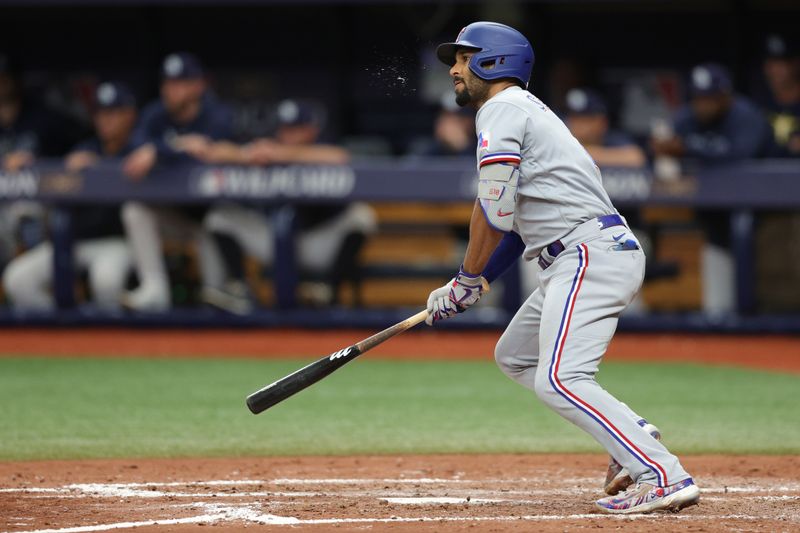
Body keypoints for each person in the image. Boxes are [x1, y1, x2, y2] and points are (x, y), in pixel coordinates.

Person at [426, 21, 699, 514]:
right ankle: (632, 436)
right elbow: (509, 227)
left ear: (494, 61)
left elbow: (490, 210)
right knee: (516, 355)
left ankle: (663, 477)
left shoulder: (502, 107)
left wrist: (466, 280)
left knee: (561, 379)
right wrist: (476, 280)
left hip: (587, 253)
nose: (454, 69)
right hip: (576, 254)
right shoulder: (521, 110)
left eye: (463, 58)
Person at [178, 98, 376, 312]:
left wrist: (282, 154)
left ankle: (329, 290)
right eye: (285, 129)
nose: (289, 136)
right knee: (219, 216)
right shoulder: (265, 150)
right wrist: (246, 155)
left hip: (315, 244)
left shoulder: (316, 149)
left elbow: (340, 157)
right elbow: (218, 152)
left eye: (296, 129)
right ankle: (240, 289)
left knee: (361, 215)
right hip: (271, 240)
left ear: (311, 130)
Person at [3, 82, 136, 311]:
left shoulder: (139, 149)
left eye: (113, 113)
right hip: (73, 242)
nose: (105, 120)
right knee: (17, 280)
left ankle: (110, 343)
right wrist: (35, 165)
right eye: (101, 113)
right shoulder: (85, 148)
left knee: (106, 282)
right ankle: (60, 340)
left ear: (129, 115)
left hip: (115, 242)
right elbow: (55, 180)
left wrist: (103, 169)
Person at [120, 52, 233, 311]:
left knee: (216, 301)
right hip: (174, 217)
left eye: (180, 83)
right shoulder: (154, 114)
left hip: (211, 222)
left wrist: (161, 151)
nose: (171, 90)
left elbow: (209, 151)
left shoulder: (217, 114)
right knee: (135, 210)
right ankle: (154, 288)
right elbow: (135, 150)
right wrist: (177, 146)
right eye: (168, 83)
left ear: (198, 86)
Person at [651, 63, 771, 163]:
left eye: (709, 98)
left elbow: (740, 157)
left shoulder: (747, 116)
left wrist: (686, 150)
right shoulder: (687, 115)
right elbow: (665, 144)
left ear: (725, 96)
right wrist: (662, 147)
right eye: (698, 98)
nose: (702, 106)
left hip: (754, 186)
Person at [563, 88, 646, 167]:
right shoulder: (562, 140)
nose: (578, 125)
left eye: (586, 119)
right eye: (574, 118)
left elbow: (636, 157)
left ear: (602, 122)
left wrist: (586, 154)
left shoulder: (611, 139)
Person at [759, 34, 800, 156]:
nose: (775, 70)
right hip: (764, 172)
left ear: (795, 65)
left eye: (782, 64)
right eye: (771, 64)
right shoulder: (758, 102)